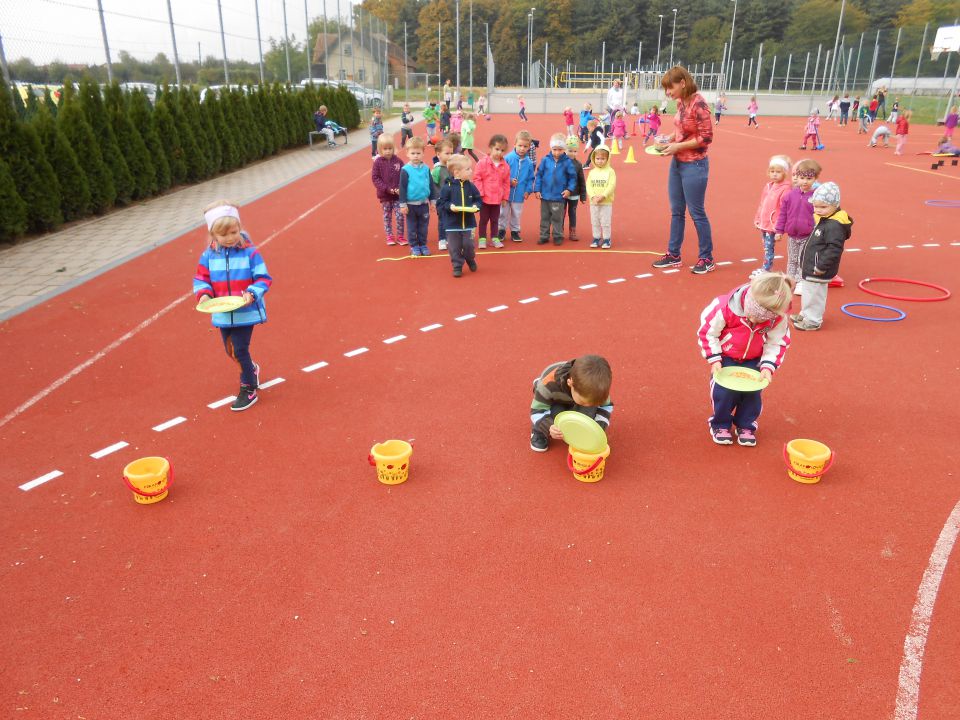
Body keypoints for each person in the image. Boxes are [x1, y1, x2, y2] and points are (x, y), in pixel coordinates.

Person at [193, 200, 272, 412]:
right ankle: (252, 370)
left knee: (240, 348)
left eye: (233, 232)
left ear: (239, 228)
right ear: (213, 235)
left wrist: (252, 293)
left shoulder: (251, 253)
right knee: (230, 351)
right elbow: (201, 279)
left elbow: (263, 278)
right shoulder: (208, 255)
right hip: (221, 312)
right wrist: (203, 295)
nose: (229, 238)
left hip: (245, 312)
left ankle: (248, 387)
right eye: (223, 235)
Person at [698, 272, 793, 446]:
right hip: (726, 356)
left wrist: (768, 366)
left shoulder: (777, 318)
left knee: (752, 394)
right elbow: (708, 331)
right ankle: (720, 424)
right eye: (752, 316)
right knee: (723, 393)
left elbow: (777, 342)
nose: (754, 321)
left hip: (754, 359)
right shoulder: (724, 306)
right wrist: (715, 358)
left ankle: (746, 425)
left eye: (761, 320)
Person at [651, 66, 716, 275]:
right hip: (678, 163)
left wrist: (677, 146)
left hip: (695, 165)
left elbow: (706, 138)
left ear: (682, 83)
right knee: (676, 211)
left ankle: (707, 258)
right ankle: (674, 254)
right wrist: (668, 139)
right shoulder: (681, 103)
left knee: (697, 212)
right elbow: (682, 130)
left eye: (670, 88)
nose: (668, 93)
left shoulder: (699, 105)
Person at [791, 182, 852, 331]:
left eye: (823, 207)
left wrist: (821, 266)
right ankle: (806, 313)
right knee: (808, 292)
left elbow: (834, 249)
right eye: (816, 206)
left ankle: (813, 320)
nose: (818, 210)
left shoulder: (834, 225)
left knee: (815, 295)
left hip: (818, 269)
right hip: (811, 267)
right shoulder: (824, 220)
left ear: (835, 205)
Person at [529, 355, 613, 452]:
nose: (587, 406)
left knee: (589, 411)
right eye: (583, 401)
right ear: (570, 383)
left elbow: (605, 407)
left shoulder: (598, 390)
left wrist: (598, 427)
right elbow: (537, 411)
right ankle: (538, 432)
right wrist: (549, 426)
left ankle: (578, 405)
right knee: (556, 413)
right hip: (555, 399)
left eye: (592, 402)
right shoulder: (548, 386)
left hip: (571, 397)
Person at [775, 159, 820, 291]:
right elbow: (783, 214)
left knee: (802, 260)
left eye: (809, 178)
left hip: (808, 236)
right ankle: (789, 280)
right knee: (792, 259)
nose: (805, 181)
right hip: (792, 235)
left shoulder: (816, 197)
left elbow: (819, 216)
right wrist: (779, 230)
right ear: (796, 177)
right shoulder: (790, 195)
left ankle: (800, 282)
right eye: (801, 178)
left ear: (815, 179)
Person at [437, 154, 482, 277]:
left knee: (468, 245)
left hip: (468, 223)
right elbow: (441, 203)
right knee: (454, 247)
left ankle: (470, 258)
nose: (471, 171)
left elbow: (478, 200)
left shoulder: (471, 186)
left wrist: (476, 207)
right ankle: (457, 265)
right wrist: (449, 207)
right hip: (452, 224)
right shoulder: (447, 188)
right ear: (457, 172)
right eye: (467, 169)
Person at [751, 155, 792, 277]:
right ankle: (766, 266)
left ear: (784, 173)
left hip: (773, 225)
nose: (774, 174)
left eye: (778, 172)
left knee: (769, 247)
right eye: (772, 171)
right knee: (765, 246)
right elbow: (762, 203)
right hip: (764, 223)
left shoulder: (785, 189)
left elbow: (784, 208)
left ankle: (766, 268)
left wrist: (779, 227)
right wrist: (758, 219)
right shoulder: (768, 186)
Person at [534, 133, 577, 245]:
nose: (557, 152)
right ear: (551, 148)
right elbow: (539, 175)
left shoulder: (567, 162)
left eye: (560, 149)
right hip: (545, 195)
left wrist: (569, 189)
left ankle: (558, 236)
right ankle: (544, 235)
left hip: (559, 196)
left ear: (564, 149)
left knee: (557, 218)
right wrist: (537, 190)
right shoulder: (545, 160)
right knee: (544, 217)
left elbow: (573, 178)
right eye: (554, 149)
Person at [398, 137, 438, 257]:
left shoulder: (426, 169)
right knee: (412, 227)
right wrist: (403, 204)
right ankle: (414, 246)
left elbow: (431, 185)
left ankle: (423, 244)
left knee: (423, 227)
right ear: (407, 154)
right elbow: (403, 188)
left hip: (423, 204)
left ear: (423, 153)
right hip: (410, 205)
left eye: (418, 153)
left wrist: (432, 201)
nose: (416, 156)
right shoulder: (405, 170)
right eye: (413, 153)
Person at [473, 133, 511, 249]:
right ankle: (482, 238)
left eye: (502, 150)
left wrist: (505, 197)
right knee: (483, 219)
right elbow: (477, 178)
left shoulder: (505, 166)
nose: (499, 152)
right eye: (497, 149)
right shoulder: (482, 163)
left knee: (495, 219)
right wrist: (480, 193)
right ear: (490, 147)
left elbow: (506, 182)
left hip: (497, 199)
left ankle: (495, 237)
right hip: (485, 198)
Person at [499, 130, 536, 243]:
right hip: (506, 193)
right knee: (502, 213)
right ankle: (501, 230)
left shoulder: (529, 163)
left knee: (516, 213)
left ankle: (515, 231)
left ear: (529, 147)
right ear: (514, 144)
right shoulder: (507, 159)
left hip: (519, 194)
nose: (522, 148)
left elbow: (530, 178)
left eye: (525, 146)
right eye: (520, 145)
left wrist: (528, 190)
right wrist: (509, 181)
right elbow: (500, 174)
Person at [371, 135, 406, 246]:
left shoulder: (398, 161)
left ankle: (400, 236)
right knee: (387, 216)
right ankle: (389, 236)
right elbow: (375, 178)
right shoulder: (377, 163)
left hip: (397, 196)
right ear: (380, 150)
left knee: (400, 215)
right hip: (385, 196)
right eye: (385, 149)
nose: (388, 151)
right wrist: (387, 189)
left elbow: (404, 175)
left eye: (390, 148)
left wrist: (400, 188)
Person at [586, 144, 616, 249]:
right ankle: (596, 237)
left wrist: (603, 195)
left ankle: (607, 238)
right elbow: (588, 186)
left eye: (603, 158)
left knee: (605, 221)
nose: (600, 161)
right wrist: (593, 196)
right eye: (598, 158)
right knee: (595, 221)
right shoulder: (592, 172)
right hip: (594, 202)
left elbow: (611, 185)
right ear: (594, 158)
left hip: (606, 202)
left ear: (608, 159)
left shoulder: (610, 172)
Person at [431, 138, 455, 251]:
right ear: (438, 154)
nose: (450, 156)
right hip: (441, 201)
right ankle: (442, 239)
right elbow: (433, 185)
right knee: (442, 220)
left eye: (451, 153)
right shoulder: (437, 170)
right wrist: (435, 200)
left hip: (453, 199)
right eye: (447, 153)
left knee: (453, 219)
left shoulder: (453, 167)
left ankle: (451, 238)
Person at [564, 137, 587, 242]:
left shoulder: (578, 165)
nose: (572, 153)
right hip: (562, 194)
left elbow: (582, 181)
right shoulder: (561, 162)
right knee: (561, 213)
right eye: (570, 151)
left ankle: (572, 231)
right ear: (565, 150)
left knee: (572, 213)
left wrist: (583, 196)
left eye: (575, 151)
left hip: (574, 194)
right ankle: (559, 231)